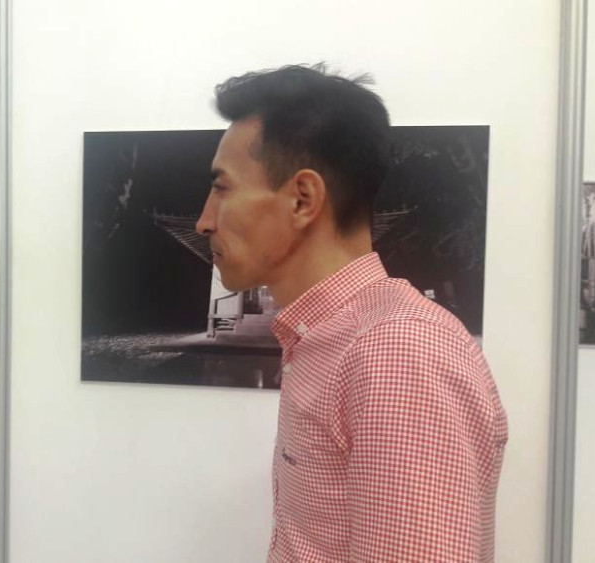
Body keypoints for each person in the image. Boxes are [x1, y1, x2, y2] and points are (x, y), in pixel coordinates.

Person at [195, 64, 508, 562]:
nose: (204, 221)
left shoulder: (397, 352)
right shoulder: (329, 339)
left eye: (222, 188)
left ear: (303, 199)